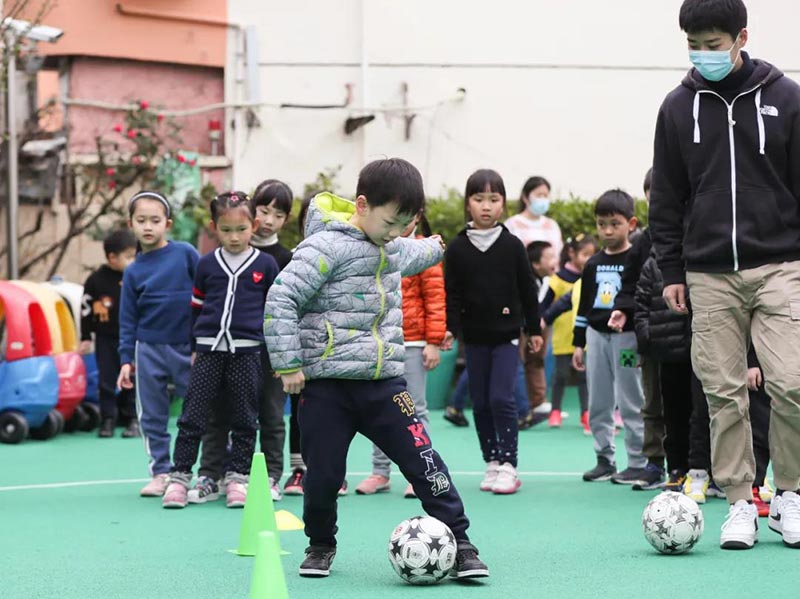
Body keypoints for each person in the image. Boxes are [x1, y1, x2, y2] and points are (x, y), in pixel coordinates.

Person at [264, 158, 489, 579]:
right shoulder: (323, 248)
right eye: (390, 222)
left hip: (384, 385)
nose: (394, 232)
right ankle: (320, 545)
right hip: (326, 386)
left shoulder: (391, 244)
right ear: (362, 205)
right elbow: (281, 299)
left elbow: (416, 252)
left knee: (425, 461)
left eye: (404, 224)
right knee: (323, 476)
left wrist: (437, 245)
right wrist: (288, 363)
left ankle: (461, 542)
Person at [649, 0, 800, 549]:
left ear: (741, 37)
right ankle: (739, 502)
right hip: (708, 272)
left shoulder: (787, 98)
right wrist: (672, 269)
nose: (702, 55)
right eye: (694, 45)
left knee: (792, 382)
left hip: (780, 263)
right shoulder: (676, 107)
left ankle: (790, 494)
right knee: (722, 392)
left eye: (713, 44)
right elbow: (666, 197)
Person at [162, 192, 279, 509]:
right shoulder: (206, 264)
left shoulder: (266, 265)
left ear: (254, 225)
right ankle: (181, 477)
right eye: (226, 230)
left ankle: (238, 478)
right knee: (193, 415)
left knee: (245, 417)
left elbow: (275, 312)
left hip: (248, 353)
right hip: (208, 352)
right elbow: (196, 308)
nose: (234, 237)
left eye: (241, 229)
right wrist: (194, 347)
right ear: (214, 228)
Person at [189, 179, 293, 505]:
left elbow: (284, 309)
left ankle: (270, 476)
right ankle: (215, 474)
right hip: (225, 350)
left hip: (267, 351)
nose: (270, 220)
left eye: (278, 214)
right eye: (264, 210)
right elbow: (200, 305)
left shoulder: (280, 259)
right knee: (218, 413)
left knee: (270, 414)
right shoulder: (215, 261)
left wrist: (283, 354)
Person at [444, 169, 543, 495]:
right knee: (481, 403)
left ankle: (509, 465)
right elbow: (452, 294)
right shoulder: (457, 248)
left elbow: (528, 290)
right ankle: (492, 461)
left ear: (503, 204)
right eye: (479, 199)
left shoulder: (512, 246)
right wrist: (450, 329)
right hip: (474, 337)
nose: (486, 206)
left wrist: (533, 328)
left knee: (501, 397)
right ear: (468, 203)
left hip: (507, 336)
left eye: (493, 199)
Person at [356, 212, 445, 498]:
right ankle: (380, 472)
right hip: (381, 343)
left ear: (417, 217)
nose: (401, 225)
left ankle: (422, 472)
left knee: (415, 408)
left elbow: (435, 298)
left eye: (408, 217)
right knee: (378, 408)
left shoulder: (425, 251)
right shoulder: (375, 246)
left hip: (415, 343)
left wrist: (433, 341)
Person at [117, 191, 199, 497]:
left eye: (155, 220)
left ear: (168, 223)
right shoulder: (133, 271)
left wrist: (202, 341)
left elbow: (206, 294)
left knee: (201, 409)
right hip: (148, 349)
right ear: (131, 224)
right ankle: (161, 471)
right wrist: (126, 360)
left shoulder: (186, 254)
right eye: (141, 220)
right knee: (151, 415)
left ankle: (213, 470)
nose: (148, 226)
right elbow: (127, 320)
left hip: (188, 348)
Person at [572, 190, 646, 484]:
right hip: (596, 337)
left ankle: (638, 460)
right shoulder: (592, 264)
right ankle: (604, 458)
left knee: (631, 400)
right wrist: (579, 343)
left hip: (626, 339)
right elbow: (584, 306)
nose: (607, 231)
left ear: (631, 223)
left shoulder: (637, 259)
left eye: (615, 224)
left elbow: (641, 298)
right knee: (599, 401)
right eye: (602, 224)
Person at [609, 169, 668, 491]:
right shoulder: (645, 240)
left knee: (697, 405)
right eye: (652, 195)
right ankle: (654, 463)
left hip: (693, 335)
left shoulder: (698, 232)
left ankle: (699, 468)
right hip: (653, 337)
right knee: (652, 403)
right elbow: (630, 282)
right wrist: (624, 310)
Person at [79, 229, 139, 438]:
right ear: (112, 257)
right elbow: (85, 310)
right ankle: (108, 419)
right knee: (106, 380)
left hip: (131, 338)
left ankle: (132, 418)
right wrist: (86, 336)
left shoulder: (136, 278)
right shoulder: (96, 280)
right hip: (105, 338)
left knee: (132, 377)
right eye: (129, 257)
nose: (133, 261)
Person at [543, 235, 597, 433]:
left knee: (584, 377)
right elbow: (551, 305)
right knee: (561, 375)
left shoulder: (592, 278)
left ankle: (586, 413)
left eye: (592, 255)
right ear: (572, 253)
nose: (588, 259)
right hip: (562, 336)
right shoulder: (558, 279)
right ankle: (555, 411)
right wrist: (542, 320)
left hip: (584, 338)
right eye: (584, 254)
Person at [515, 241, 557, 429]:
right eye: (550, 257)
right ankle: (523, 411)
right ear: (536, 264)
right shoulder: (526, 281)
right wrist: (531, 329)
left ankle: (535, 403)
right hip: (516, 328)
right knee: (515, 365)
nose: (555, 261)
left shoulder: (545, 281)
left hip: (530, 328)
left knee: (533, 361)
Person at [505, 176, 563, 257]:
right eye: (539, 195)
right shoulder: (512, 224)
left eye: (545, 196)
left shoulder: (552, 225)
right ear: (525, 197)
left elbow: (558, 254)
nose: (542, 199)